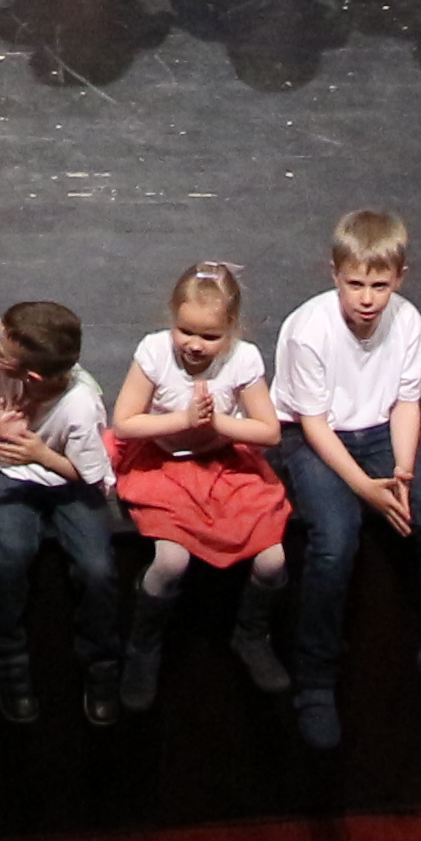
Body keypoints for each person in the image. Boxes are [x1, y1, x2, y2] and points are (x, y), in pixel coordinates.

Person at [271, 209, 421, 744]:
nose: (366, 298)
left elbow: (406, 403)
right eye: (355, 284)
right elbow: (313, 423)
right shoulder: (308, 331)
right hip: (312, 436)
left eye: (379, 286)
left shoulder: (408, 321)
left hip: (380, 432)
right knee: (335, 540)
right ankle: (315, 678)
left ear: (399, 278)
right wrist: (364, 488)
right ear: (334, 274)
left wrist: (402, 471)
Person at [110, 260, 293, 709]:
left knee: (273, 560)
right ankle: (143, 645)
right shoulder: (154, 351)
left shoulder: (243, 359)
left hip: (222, 465)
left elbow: (268, 432)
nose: (195, 344)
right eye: (185, 331)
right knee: (171, 561)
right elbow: (125, 422)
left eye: (210, 336)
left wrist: (218, 424)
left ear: (231, 330)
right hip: (163, 464)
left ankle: (251, 633)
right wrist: (184, 419)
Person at [0, 302, 125, 727]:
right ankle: (9, 659)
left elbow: (87, 474)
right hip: (12, 476)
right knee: (7, 560)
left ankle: (101, 662)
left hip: (69, 481)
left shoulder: (80, 405)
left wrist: (40, 454)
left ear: (34, 377)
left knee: (98, 569)